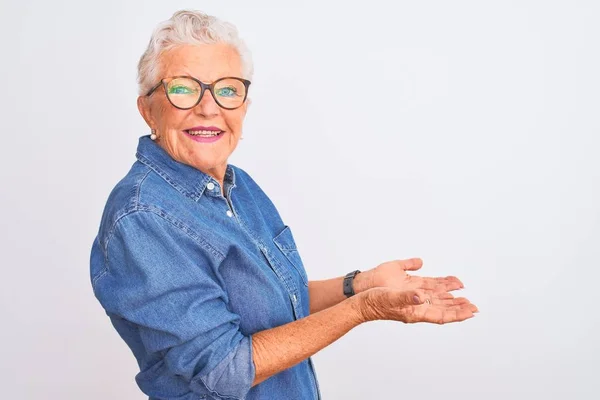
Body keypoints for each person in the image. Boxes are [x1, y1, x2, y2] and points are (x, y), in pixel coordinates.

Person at [89, 9, 478, 400]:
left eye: (226, 89)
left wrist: (359, 285)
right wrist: (365, 308)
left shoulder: (239, 187)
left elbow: (275, 303)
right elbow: (223, 370)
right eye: (184, 88)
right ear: (147, 109)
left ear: (244, 107)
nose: (209, 108)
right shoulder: (142, 216)